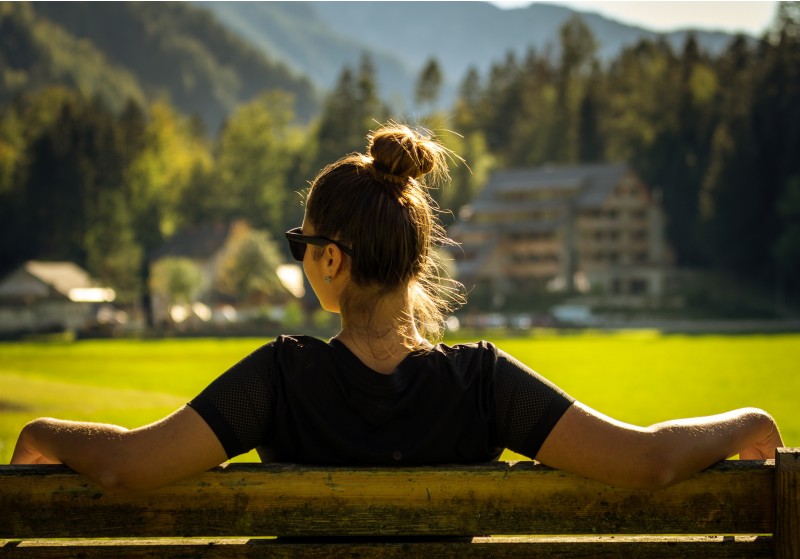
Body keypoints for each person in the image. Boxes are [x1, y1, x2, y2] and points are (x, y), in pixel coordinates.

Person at [11, 123, 783, 492]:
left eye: (300, 244)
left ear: (332, 259)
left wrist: (43, 429)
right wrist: (745, 421)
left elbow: (124, 467)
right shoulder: (484, 386)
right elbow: (647, 460)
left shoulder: (278, 380)